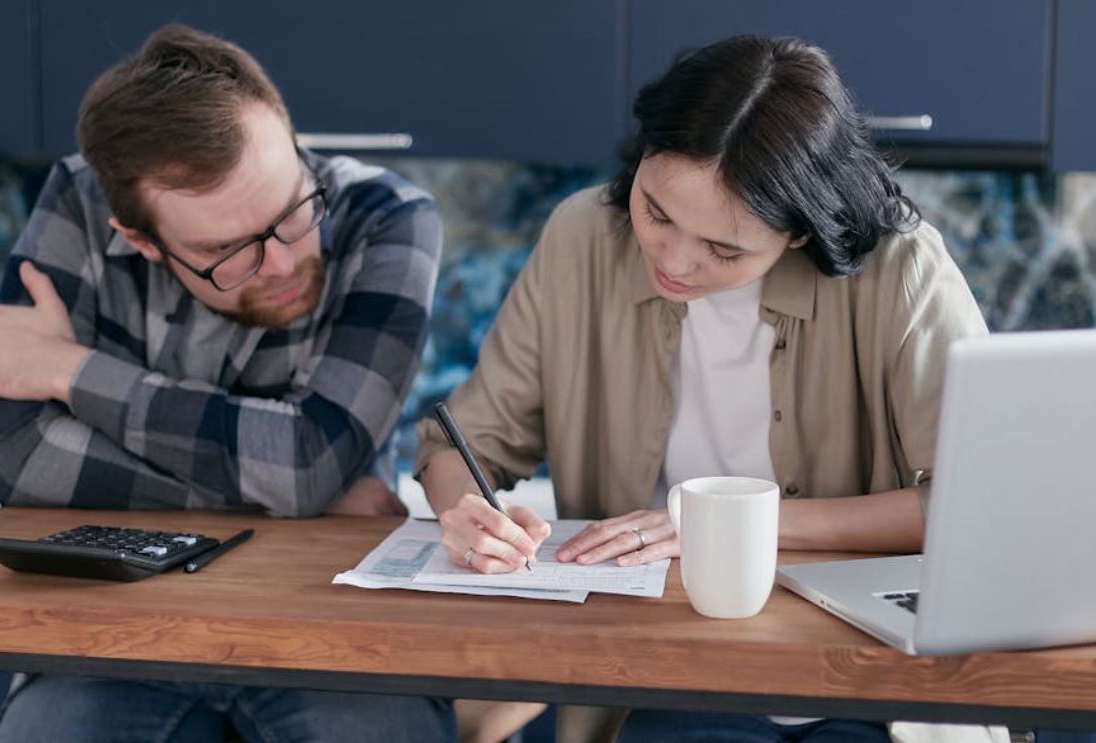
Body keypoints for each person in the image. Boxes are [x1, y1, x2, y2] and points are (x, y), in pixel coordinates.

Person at [415, 35, 988, 743]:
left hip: (868, 672)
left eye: (724, 249)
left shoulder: (901, 271)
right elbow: (463, 440)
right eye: (656, 212)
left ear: (799, 235)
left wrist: (727, 526)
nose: (674, 260)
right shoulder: (583, 237)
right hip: (660, 667)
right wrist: (465, 512)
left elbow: (979, 508)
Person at [0, 24, 452, 742]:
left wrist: (71, 371)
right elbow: (23, 462)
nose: (280, 263)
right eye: (227, 251)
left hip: (333, 620)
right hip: (106, 622)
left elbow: (307, 460)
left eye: (290, 214)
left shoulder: (388, 215)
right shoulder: (79, 205)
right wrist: (290, 490)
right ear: (142, 240)